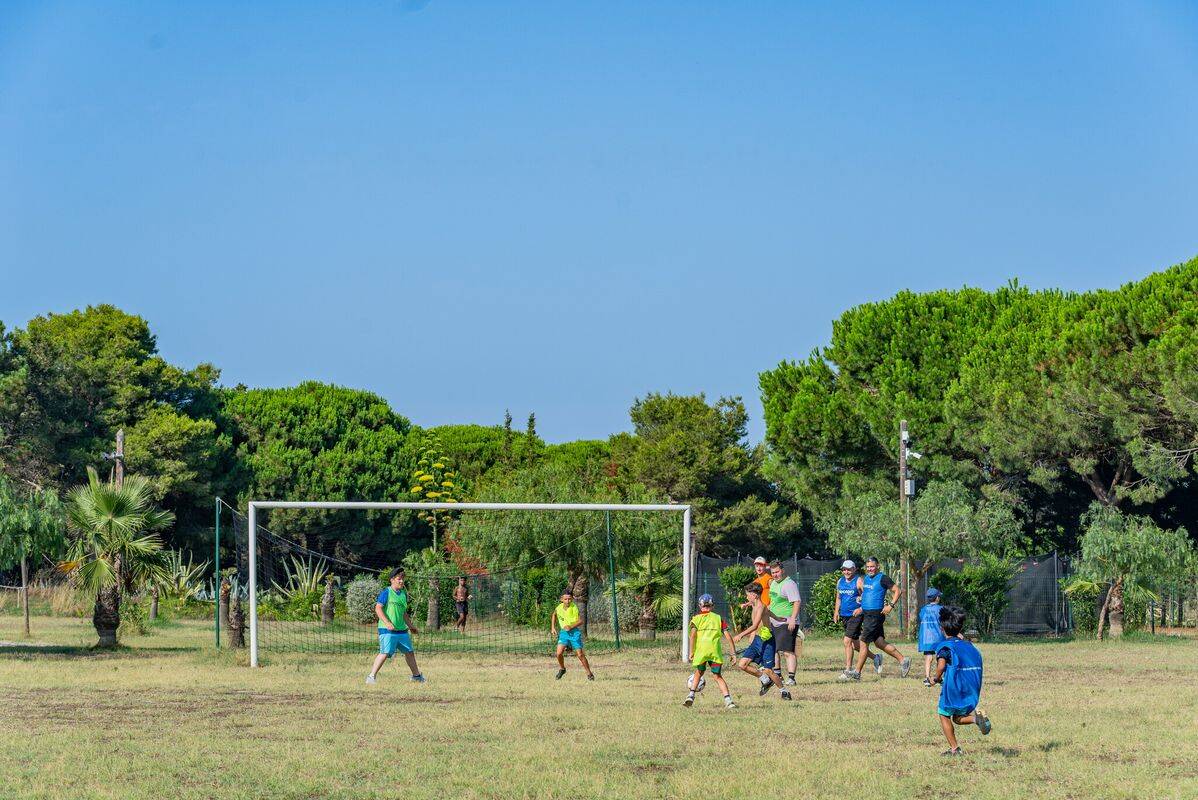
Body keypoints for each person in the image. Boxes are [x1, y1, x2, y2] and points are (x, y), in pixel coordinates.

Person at [932, 605, 991, 755]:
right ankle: (977, 720)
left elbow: (941, 666)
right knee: (958, 718)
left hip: (955, 688)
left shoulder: (945, 647)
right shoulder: (969, 645)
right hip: (972, 687)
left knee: (944, 714)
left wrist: (935, 678)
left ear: (942, 628)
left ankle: (955, 749)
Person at [851, 557, 911, 679]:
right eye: (868, 567)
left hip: (875, 615)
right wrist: (861, 608)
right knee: (879, 643)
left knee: (863, 642)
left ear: (877, 566)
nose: (870, 569)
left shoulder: (883, 578)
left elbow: (898, 590)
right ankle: (903, 660)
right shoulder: (866, 578)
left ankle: (857, 672)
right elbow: (868, 596)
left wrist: (891, 605)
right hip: (867, 614)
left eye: (872, 566)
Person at [732, 583, 791, 701]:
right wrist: (746, 604)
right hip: (757, 640)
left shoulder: (761, 607)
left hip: (767, 641)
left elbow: (755, 626)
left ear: (754, 595)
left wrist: (741, 635)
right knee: (742, 664)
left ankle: (784, 691)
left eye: (748, 595)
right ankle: (765, 680)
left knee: (768, 670)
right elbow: (768, 612)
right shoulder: (754, 603)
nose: (747, 597)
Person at [367, 567, 424, 684]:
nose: (402, 581)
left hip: (402, 631)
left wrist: (411, 626)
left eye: (403, 579)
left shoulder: (403, 594)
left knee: (409, 652)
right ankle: (371, 677)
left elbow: (404, 613)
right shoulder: (386, 592)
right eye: (399, 579)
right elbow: (378, 608)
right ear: (392, 580)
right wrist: (387, 623)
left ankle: (417, 676)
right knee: (385, 653)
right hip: (387, 630)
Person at [684, 594, 738, 709]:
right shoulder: (718, 618)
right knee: (717, 676)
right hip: (714, 652)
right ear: (712, 606)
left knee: (699, 672)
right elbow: (728, 637)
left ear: (700, 606)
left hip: (701, 652)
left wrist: (691, 651)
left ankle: (691, 695)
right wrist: (733, 653)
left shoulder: (696, 619)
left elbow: (692, 636)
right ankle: (728, 700)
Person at [834, 559, 881, 681]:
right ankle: (875, 657)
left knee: (847, 641)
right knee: (855, 645)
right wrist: (836, 612)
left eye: (849, 569)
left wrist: (861, 608)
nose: (846, 572)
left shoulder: (858, 581)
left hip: (856, 615)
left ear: (854, 569)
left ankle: (848, 670)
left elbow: (868, 595)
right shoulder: (840, 581)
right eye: (844, 569)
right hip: (844, 615)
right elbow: (838, 598)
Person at [767, 560, 803, 686]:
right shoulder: (773, 583)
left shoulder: (789, 584)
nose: (775, 575)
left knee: (787, 651)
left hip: (786, 622)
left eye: (777, 572)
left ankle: (791, 678)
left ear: (782, 570)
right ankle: (778, 675)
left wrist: (793, 619)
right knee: (774, 650)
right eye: (773, 573)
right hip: (774, 622)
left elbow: (797, 602)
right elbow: (773, 601)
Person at [551, 590, 594, 680]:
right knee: (559, 653)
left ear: (572, 599)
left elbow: (580, 621)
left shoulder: (574, 607)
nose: (568, 601)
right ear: (561, 599)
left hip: (574, 633)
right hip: (564, 633)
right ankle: (562, 669)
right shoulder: (558, 607)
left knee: (580, 655)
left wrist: (570, 626)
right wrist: (553, 628)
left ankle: (589, 673)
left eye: (569, 599)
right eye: (565, 599)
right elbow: (554, 615)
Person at [918, 587, 945, 687]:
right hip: (938, 637)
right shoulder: (940, 609)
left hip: (926, 637)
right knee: (940, 657)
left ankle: (927, 678)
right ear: (937, 598)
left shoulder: (923, 609)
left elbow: (921, 618)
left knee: (928, 657)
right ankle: (939, 678)